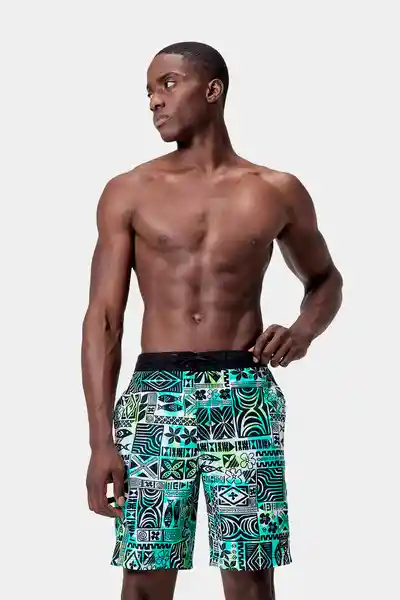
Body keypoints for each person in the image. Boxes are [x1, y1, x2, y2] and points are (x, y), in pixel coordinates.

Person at [81, 41, 343, 600]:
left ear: (213, 90)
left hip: (243, 395)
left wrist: (302, 332)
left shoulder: (275, 190)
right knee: (145, 578)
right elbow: (103, 320)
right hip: (156, 398)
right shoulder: (129, 191)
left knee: (250, 579)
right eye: (149, 91)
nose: (154, 100)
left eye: (168, 84)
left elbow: (325, 280)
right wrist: (101, 442)